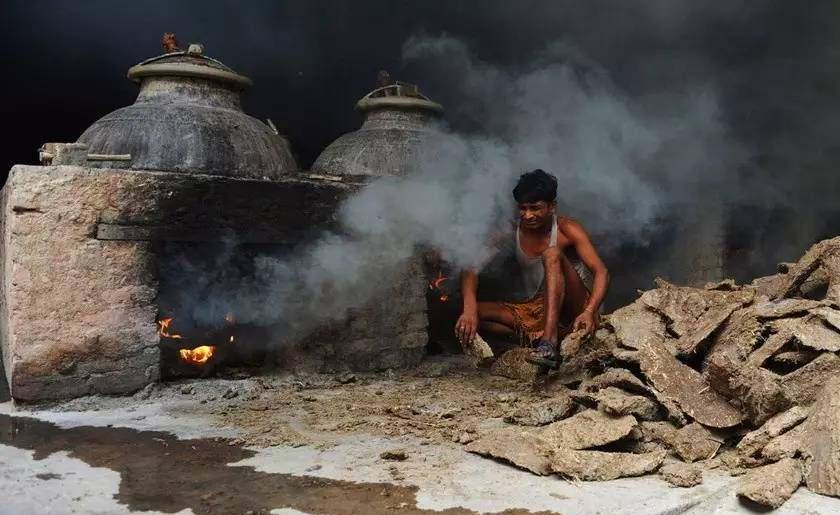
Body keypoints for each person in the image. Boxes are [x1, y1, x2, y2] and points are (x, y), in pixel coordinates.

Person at [455, 169, 610, 367]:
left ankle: (549, 343)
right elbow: (471, 266)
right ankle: (542, 337)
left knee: (551, 253)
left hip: (577, 308)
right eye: (523, 208)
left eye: (535, 208)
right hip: (539, 310)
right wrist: (468, 309)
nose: (528, 215)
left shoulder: (566, 228)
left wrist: (589, 311)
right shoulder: (511, 229)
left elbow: (602, 272)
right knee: (470, 315)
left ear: (552, 206)